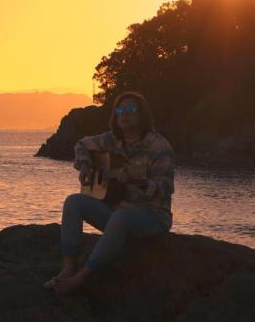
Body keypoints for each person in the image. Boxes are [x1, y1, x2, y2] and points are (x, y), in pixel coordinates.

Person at [43, 90, 176, 295]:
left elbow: (165, 189)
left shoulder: (159, 147)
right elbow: (82, 145)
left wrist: (140, 182)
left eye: (130, 109)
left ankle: (81, 278)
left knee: (120, 217)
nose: (124, 114)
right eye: (119, 110)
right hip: (119, 213)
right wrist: (85, 166)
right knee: (74, 202)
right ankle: (68, 268)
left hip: (153, 215)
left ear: (142, 114)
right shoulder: (112, 140)